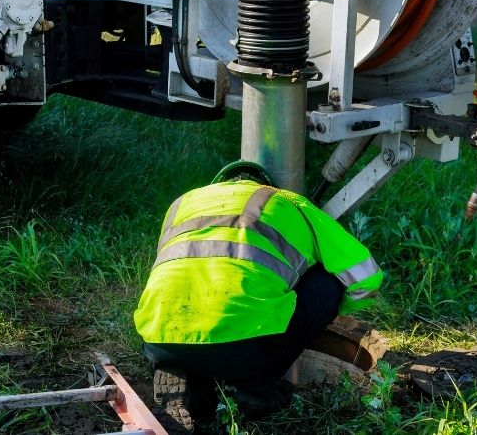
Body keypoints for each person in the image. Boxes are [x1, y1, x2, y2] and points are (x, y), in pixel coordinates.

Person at [134, 161, 383, 433]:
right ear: (264, 185)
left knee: (195, 316)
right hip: (245, 348)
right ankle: (255, 392)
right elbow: (365, 277)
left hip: (159, 337)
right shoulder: (286, 200)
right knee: (328, 282)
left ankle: (194, 390)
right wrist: (332, 311)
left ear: (218, 185)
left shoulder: (181, 204)